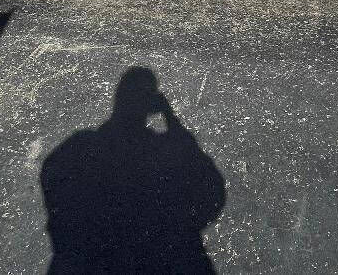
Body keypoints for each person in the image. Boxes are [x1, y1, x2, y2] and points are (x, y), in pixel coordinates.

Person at [41, 66, 226, 274]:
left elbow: (52, 179)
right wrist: (171, 118)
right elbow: (211, 185)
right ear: (151, 105)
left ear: (118, 100)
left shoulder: (81, 147)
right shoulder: (162, 152)